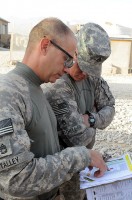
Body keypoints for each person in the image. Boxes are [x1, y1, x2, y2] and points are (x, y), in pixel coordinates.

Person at [0, 18, 107, 200]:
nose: (67, 69)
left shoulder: (34, 88)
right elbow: (15, 179)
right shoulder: (8, 95)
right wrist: (81, 156)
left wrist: (82, 160)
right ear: (45, 45)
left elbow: (45, 149)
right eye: (66, 59)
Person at [43, 22, 115, 200]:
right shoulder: (58, 83)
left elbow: (110, 108)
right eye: (81, 65)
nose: (84, 73)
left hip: (86, 159)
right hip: (63, 166)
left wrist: (90, 119)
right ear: (73, 52)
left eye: (90, 69)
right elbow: (78, 137)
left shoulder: (93, 78)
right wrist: (97, 121)